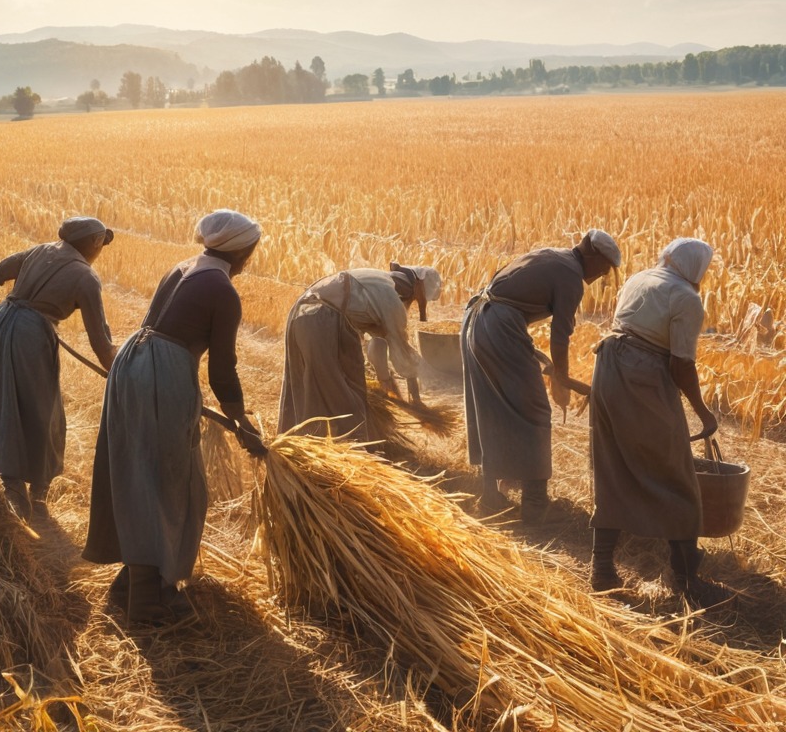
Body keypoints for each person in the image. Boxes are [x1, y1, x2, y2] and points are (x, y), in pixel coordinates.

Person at [82, 209, 265, 625]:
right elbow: (222, 369)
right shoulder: (222, 290)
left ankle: (135, 583)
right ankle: (147, 603)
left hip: (133, 362)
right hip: (161, 374)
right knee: (168, 483)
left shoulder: (184, 267)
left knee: (138, 474)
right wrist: (242, 423)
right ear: (244, 251)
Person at [589, 238, 723, 604]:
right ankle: (683, 578)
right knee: (675, 471)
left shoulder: (639, 278)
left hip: (607, 366)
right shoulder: (687, 298)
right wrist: (703, 411)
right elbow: (681, 364)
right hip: (642, 375)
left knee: (612, 464)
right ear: (697, 268)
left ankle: (601, 568)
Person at [462, 229, 621, 524]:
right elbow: (560, 338)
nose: (601, 276)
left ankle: (490, 493)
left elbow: (505, 287)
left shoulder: (554, 255)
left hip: (478, 318)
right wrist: (561, 379)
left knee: (491, 404)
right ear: (591, 254)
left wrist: (541, 360)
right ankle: (534, 502)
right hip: (498, 325)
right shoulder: (571, 276)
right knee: (535, 408)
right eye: (602, 269)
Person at [0, 216, 117, 522]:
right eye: (101, 244)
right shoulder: (86, 277)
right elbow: (101, 343)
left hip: (0, 323)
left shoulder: (40, 251)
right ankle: (30, 492)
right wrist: (122, 373)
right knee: (44, 411)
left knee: (6, 400)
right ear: (94, 243)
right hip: (30, 334)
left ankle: (17, 485)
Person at [277, 263, 441, 442]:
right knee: (345, 395)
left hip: (301, 315)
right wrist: (414, 403)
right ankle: (354, 449)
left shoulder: (378, 280)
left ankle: (308, 444)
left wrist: (391, 386)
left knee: (311, 387)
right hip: (322, 320)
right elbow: (403, 354)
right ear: (417, 290)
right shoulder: (390, 300)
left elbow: (379, 346)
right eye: (419, 300)